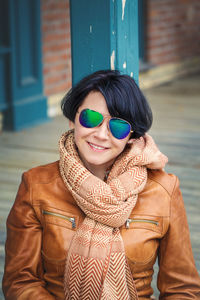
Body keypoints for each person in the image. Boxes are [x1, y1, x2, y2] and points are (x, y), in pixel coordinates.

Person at [2, 70, 200, 300]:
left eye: (117, 127)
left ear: (132, 135)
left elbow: (182, 289)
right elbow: (20, 281)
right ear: (72, 118)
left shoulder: (163, 190)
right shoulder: (36, 185)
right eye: (91, 119)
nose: (101, 135)